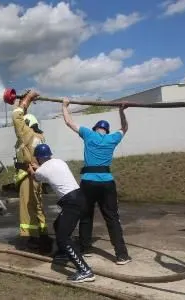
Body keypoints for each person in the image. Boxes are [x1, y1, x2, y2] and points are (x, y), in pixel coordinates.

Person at [62, 98, 132, 265]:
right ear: (106, 131)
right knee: (112, 218)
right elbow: (125, 128)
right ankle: (121, 255)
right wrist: (122, 111)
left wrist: (64, 106)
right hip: (107, 183)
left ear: (96, 129)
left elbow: (69, 122)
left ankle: (85, 248)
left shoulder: (88, 134)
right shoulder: (112, 138)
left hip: (88, 182)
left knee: (85, 215)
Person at [28, 143, 95, 283]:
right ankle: (64, 253)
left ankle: (85, 271)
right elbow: (51, 171)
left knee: (62, 238)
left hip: (71, 203)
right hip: (80, 197)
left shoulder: (41, 170)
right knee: (58, 225)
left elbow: (36, 178)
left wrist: (31, 171)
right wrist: (39, 168)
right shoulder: (59, 161)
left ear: (39, 158)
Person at [12, 90, 52, 253]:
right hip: (37, 176)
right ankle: (42, 236)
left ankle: (33, 239)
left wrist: (26, 100)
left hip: (28, 176)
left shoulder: (26, 134)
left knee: (28, 208)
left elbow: (16, 117)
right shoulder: (39, 136)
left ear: (26, 125)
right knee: (38, 207)